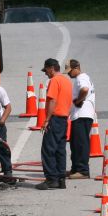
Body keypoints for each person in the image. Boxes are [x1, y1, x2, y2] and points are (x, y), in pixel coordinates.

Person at [37, 58, 72, 189]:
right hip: (64, 119)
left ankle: (51, 179)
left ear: (51, 68)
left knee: (48, 149)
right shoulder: (67, 81)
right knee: (60, 150)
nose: (46, 73)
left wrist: (47, 120)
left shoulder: (55, 81)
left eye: (46, 70)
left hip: (55, 119)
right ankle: (61, 179)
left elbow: (52, 100)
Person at [67, 58, 96, 179]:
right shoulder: (83, 77)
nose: (68, 74)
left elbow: (84, 89)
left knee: (80, 143)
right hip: (80, 115)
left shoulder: (81, 78)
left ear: (76, 68)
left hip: (82, 115)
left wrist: (79, 100)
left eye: (70, 71)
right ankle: (75, 168)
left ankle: (83, 170)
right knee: (75, 143)